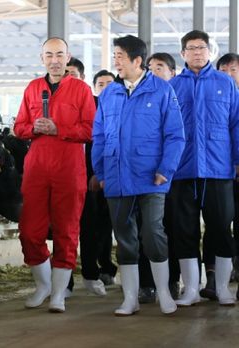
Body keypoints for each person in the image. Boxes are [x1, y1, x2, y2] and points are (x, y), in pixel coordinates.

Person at [92, 35, 185, 316]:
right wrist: (101, 171)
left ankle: (165, 293)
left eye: (120, 56)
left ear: (137, 60)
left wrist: (165, 170)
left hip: (152, 176)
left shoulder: (161, 90)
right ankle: (129, 298)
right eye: (115, 55)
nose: (116, 61)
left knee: (153, 232)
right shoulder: (110, 93)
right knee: (124, 238)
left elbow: (175, 135)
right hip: (117, 175)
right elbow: (98, 135)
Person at [14, 37, 95, 313]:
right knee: (28, 230)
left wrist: (58, 128)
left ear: (68, 57)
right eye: (49, 55)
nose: (55, 60)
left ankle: (59, 293)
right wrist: (35, 127)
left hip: (70, 166)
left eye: (60, 54)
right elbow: (19, 127)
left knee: (67, 230)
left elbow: (90, 130)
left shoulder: (82, 90)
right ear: (42, 58)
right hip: (37, 166)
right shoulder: (33, 88)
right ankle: (43, 285)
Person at [168, 30, 239, 307]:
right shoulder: (173, 86)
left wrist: (237, 160)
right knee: (184, 230)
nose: (197, 52)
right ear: (183, 54)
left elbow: (235, 125)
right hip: (182, 171)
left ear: (209, 51)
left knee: (221, 228)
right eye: (191, 48)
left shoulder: (225, 83)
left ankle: (221, 287)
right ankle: (190, 289)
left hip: (218, 169)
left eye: (201, 48)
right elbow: (166, 129)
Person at [137, 52, 181, 304]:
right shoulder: (142, 97)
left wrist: (167, 168)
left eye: (160, 67)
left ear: (172, 73)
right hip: (147, 176)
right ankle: (146, 284)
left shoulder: (175, 96)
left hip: (172, 174)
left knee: (171, 227)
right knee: (147, 228)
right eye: (150, 67)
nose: (153, 72)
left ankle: (171, 280)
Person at [200, 52, 239, 301]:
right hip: (220, 171)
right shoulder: (216, 96)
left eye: (233, 69)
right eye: (223, 70)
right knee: (217, 224)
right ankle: (213, 278)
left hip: (231, 166)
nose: (228, 74)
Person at [79, 69, 117, 296]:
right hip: (92, 177)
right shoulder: (90, 107)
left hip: (116, 174)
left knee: (109, 224)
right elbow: (92, 143)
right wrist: (95, 173)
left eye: (109, 83)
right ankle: (94, 268)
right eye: (101, 84)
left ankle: (107, 264)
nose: (105, 87)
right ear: (94, 87)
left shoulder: (122, 105)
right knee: (93, 225)